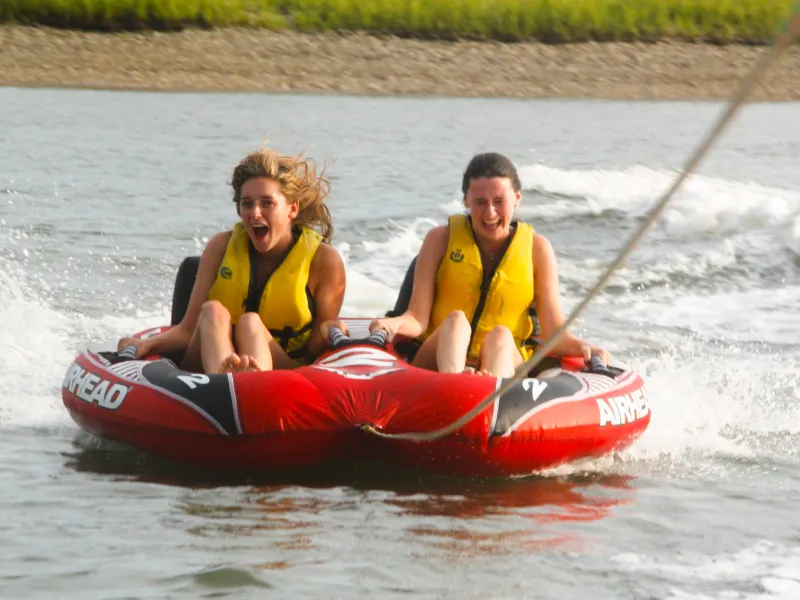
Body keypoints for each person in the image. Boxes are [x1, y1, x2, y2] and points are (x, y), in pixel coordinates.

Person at [369, 152, 609, 378]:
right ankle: (456, 386)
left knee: (501, 337)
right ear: (466, 201)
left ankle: (490, 393)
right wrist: (392, 323)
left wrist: (585, 346)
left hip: (503, 361)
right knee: (455, 322)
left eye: (499, 201)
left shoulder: (538, 250)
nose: (490, 212)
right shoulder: (439, 240)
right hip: (439, 361)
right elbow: (417, 319)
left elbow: (555, 336)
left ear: (516, 199)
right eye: (480, 202)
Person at [117, 146, 346, 374]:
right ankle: (228, 382)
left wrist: (332, 330)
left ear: (292, 209)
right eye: (247, 204)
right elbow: (187, 330)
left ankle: (250, 381)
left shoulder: (323, 261)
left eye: (267, 203)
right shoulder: (220, 247)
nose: (255, 213)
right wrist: (146, 344)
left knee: (250, 323)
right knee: (212, 311)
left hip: (281, 374)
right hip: (209, 364)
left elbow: (316, 350)